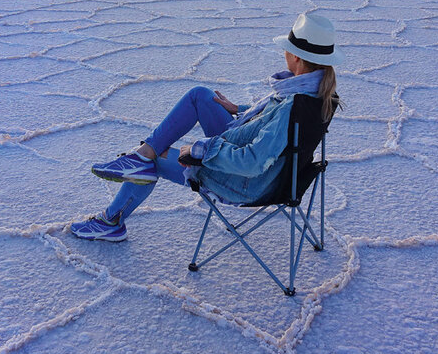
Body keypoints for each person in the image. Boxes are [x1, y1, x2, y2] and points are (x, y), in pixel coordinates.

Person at [70, 13, 343, 242]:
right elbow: (274, 126)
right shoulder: (317, 92)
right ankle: (142, 155)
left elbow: (253, 162)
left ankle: (112, 222)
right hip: (273, 173)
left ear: (295, 57)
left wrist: (203, 150)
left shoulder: (292, 105)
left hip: (247, 183)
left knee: (156, 160)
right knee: (200, 95)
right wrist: (240, 111)